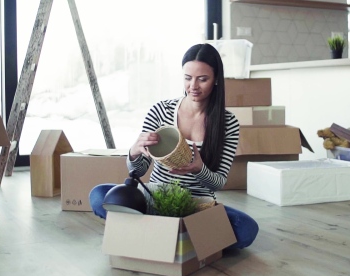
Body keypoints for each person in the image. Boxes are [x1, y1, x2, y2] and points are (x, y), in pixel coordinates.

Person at [89, 43, 258, 249]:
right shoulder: (160, 111)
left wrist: (199, 169)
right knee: (99, 195)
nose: (193, 86)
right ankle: (185, 237)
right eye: (188, 78)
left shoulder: (228, 123)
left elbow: (218, 183)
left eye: (202, 79)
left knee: (247, 229)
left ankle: (159, 233)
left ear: (215, 81)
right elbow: (138, 171)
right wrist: (134, 152)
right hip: (155, 197)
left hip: (196, 205)